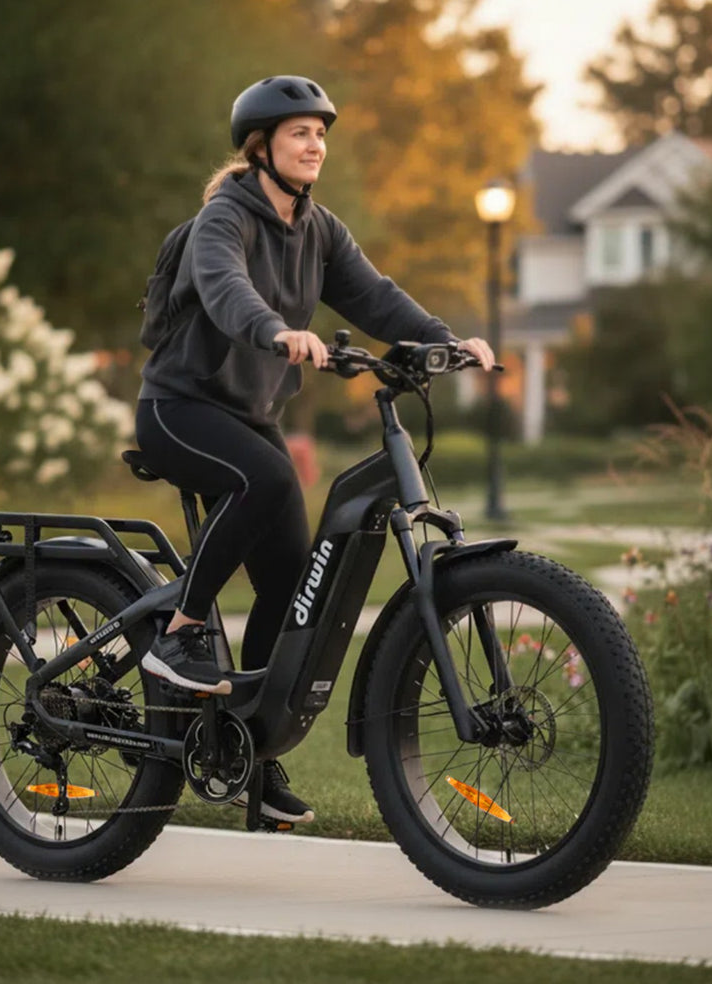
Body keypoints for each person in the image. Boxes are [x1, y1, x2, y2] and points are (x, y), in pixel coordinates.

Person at [136, 75, 494, 824]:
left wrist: (443, 340)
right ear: (261, 146)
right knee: (265, 479)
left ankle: (250, 760)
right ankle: (180, 633)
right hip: (179, 409)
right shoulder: (224, 219)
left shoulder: (319, 229)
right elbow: (225, 286)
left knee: (292, 585)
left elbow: (374, 296)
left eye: (322, 134)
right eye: (301, 133)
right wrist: (275, 330)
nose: (315, 145)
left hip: (247, 416)